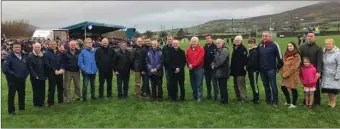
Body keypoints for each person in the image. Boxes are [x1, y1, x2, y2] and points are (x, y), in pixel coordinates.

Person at [2, 42, 29, 115]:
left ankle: (22, 108)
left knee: (22, 94)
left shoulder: (24, 56)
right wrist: (14, 75)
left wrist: (26, 74)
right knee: (11, 95)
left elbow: (27, 67)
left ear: (21, 48)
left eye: (19, 47)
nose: (17, 48)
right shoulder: (8, 57)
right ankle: (11, 111)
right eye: (16, 47)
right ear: (12, 48)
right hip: (12, 80)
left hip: (22, 79)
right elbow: (5, 69)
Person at [258, 31, 283, 107]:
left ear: (270, 37)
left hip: (271, 69)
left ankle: (275, 101)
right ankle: (268, 100)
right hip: (262, 69)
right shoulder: (260, 45)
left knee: (273, 85)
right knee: (266, 85)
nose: (264, 37)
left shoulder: (274, 45)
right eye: (263, 36)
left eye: (266, 36)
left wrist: (278, 67)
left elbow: (280, 57)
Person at [299, 32, 323, 106]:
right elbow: (300, 59)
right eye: (308, 36)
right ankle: (306, 101)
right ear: (306, 37)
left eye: (311, 36)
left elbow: (320, 60)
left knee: (315, 86)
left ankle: (316, 102)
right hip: (305, 71)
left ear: (314, 37)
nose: (309, 37)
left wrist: (318, 71)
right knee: (306, 86)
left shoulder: (318, 47)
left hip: (314, 71)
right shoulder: (302, 47)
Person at [27, 43, 49, 108]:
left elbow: (45, 65)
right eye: (35, 47)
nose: (37, 48)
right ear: (33, 48)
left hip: (42, 75)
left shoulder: (43, 55)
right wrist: (35, 75)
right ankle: (36, 103)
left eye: (38, 47)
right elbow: (30, 67)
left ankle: (41, 102)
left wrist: (46, 74)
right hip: (35, 77)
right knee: (36, 90)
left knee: (42, 89)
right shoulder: (30, 56)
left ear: (40, 48)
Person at [280, 41, 301, 108]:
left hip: (292, 75)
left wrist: (285, 74)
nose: (289, 47)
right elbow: (284, 64)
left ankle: (294, 104)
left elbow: (294, 67)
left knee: (293, 88)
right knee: (283, 87)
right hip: (285, 74)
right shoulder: (286, 54)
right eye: (288, 46)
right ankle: (288, 101)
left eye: (291, 46)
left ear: (294, 47)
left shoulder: (297, 55)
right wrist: (282, 72)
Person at [321, 38, 340, 108]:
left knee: (333, 90)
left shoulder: (337, 53)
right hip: (326, 74)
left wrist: (337, 75)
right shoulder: (324, 52)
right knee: (328, 89)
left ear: (333, 44)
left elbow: (339, 65)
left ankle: (333, 102)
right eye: (326, 44)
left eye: (329, 44)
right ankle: (330, 101)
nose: (327, 45)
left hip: (333, 74)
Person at [45, 41, 64, 107]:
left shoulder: (59, 53)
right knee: (52, 88)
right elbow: (47, 64)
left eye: (54, 44)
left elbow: (62, 62)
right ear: (49, 45)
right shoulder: (46, 53)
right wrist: (54, 70)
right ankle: (51, 102)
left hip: (60, 73)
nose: (53, 45)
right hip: (52, 73)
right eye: (51, 44)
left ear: (56, 45)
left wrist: (62, 68)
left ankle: (61, 100)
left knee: (60, 87)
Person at [186, 37, 205, 102]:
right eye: (192, 41)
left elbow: (200, 59)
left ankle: (199, 97)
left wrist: (193, 65)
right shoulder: (188, 49)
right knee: (193, 83)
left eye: (195, 41)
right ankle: (195, 96)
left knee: (199, 83)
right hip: (191, 68)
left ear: (198, 42)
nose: (193, 42)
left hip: (198, 68)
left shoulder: (201, 49)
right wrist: (189, 64)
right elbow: (187, 58)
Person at [230, 35, 248, 103]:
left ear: (241, 41)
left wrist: (243, 68)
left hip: (240, 71)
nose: (236, 41)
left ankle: (244, 98)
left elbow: (245, 60)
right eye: (235, 40)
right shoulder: (235, 47)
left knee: (241, 85)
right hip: (234, 70)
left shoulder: (243, 49)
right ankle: (238, 97)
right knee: (235, 85)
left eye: (238, 40)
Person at [211, 39, 230, 104]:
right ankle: (222, 99)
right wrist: (212, 64)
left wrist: (214, 66)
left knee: (223, 86)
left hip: (223, 71)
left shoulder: (225, 50)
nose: (217, 44)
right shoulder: (217, 50)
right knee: (221, 86)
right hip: (218, 71)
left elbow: (221, 61)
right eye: (216, 43)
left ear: (222, 43)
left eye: (219, 43)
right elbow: (214, 59)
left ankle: (225, 100)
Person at [203, 34, 218, 100]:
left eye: (209, 38)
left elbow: (217, 58)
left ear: (211, 39)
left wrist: (214, 65)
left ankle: (216, 95)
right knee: (207, 82)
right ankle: (209, 95)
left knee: (214, 83)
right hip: (206, 68)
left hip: (213, 69)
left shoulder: (215, 47)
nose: (207, 39)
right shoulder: (204, 47)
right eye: (206, 38)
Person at [245, 38, 260, 104]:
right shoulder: (250, 50)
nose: (250, 44)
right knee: (252, 84)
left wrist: (246, 67)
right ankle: (254, 97)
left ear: (254, 43)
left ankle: (257, 99)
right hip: (250, 70)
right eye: (249, 43)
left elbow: (252, 61)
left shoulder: (254, 51)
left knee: (254, 84)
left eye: (252, 43)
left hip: (254, 70)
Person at [162, 35, 174, 99]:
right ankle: (169, 94)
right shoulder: (164, 48)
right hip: (167, 68)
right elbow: (162, 58)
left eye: (170, 39)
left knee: (174, 81)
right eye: (168, 39)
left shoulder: (175, 46)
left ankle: (174, 94)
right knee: (168, 82)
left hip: (175, 68)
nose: (169, 40)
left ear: (173, 39)